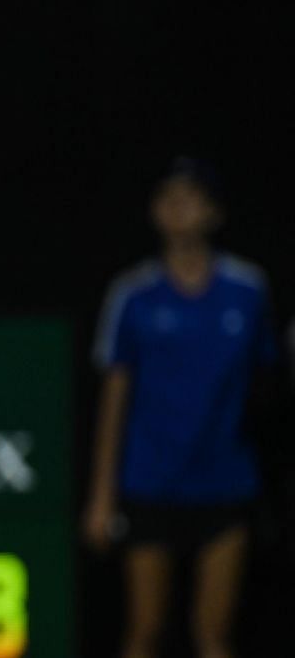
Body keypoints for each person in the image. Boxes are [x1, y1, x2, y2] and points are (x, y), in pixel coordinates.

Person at [83, 157, 280, 658]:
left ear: (214, 213)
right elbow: (114, 396)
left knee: (214, 634)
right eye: (169, 198)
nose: (179, 209)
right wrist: (103, 495)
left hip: (225, 483)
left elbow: (268, 385)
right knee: (145, 629)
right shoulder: (133, 295)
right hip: (151, 481)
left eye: (191, 198)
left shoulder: (249, 290)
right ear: (154, 212)